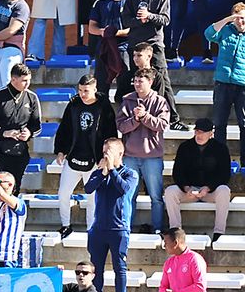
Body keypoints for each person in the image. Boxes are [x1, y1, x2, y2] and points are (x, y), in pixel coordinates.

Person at [54, 73, 116, 238]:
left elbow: (111, 133)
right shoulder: (74, 104)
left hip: (95, 160)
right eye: (80, 90)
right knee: (63, 194)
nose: (82, 94)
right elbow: (64, 129)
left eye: (86, 90)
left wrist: (106, 156)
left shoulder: (104, 106)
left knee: (92, 198)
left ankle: (91, 228)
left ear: (95, 89)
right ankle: (66, 225)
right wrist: (60, 150)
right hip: (74, 156)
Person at [83, 138, 137, 292]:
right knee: (96, 267)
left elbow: (123, 189)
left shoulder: (130, 174)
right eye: (104, 151)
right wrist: (103, 172)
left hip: (118, 228)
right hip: (98, 228)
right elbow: (88, 188)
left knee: (119, 266)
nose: (106, 154)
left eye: (110, 151)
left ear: (120, 153)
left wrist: (112, 169)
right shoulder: (100, 172)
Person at [206, 3, 245, 169]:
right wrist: (228, 20)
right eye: (237, 19)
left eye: (243, 18)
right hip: (223, 83)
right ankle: (220, 159)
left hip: (244, 86)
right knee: (220, 123)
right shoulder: (226, 30)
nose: (240, 22)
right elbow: (209, 34)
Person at [117, 68, 170, 233]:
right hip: (130, 156)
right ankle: (126, 226)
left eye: (141, 81)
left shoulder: (160, 101)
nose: (137, 84)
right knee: (128, 195)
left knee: (156, 196)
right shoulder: (127, 100)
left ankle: (158, 228)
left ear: (150, 82)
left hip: (152, 156)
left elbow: (162, 125)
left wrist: (145, 116)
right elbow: (121, 126)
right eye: (136, 81)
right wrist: (135, 119)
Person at [0, 62, 42, 192]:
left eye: (29, 80)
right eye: (24, 80)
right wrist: (3, 132)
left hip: (18, 150)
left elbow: (37, 125)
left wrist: (29, 133)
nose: (27, 84)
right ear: (13, 79)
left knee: (13, 190)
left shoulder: (32, 97)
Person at [166, 118, 232, 241]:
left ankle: (219, 233)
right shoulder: (185, 147)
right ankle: (175, 231)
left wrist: (208, 188)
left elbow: (224, 174)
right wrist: (186, 187)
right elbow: (177, 172)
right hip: (189, 191)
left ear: (211, 134)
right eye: (197, 131)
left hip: (210, 192)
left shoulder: (221, 148)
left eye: (203, 132)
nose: (199, 135)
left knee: (224, 190)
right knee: (170, 191)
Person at [88, 0, 131, 96]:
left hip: (124, 48)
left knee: (124, 86)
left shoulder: (131, 2)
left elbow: (134, 28)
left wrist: (116, 33)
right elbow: (91, 28)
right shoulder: (100, 3)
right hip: (104, 49)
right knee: (101, 87)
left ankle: (123, 114)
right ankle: (103, 114)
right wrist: (103, 32)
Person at [158, 227, 210, 292]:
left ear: (175, 243)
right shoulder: (169, 263)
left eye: (166, 243)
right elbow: (163, 287)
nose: (164, 246)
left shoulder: (194, 259)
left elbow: (200, 286)